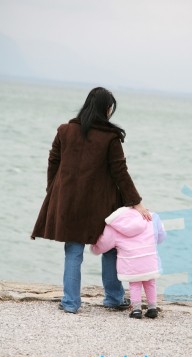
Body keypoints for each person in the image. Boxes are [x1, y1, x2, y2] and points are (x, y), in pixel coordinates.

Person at [31, 87, 151, 314]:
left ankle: (70, 303)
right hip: (102, 205)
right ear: (105, 109)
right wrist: (136, 203)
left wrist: (53, 192)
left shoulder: (65, 130)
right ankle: (114, 298)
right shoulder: (110, 137)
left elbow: (53, 162)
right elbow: (120, 172)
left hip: (69, 202)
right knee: (110, 248)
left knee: (73, 251)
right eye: (110, 108)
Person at [91, 206, 166, 319]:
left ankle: (136, 310)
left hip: (131, 262)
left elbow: (104, 244)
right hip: (149, 259)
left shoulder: (115, 223)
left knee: (134, 284)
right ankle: (152, 308)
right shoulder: (151, 217)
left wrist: (94, 248)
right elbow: (161, 236)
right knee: (150, 283)